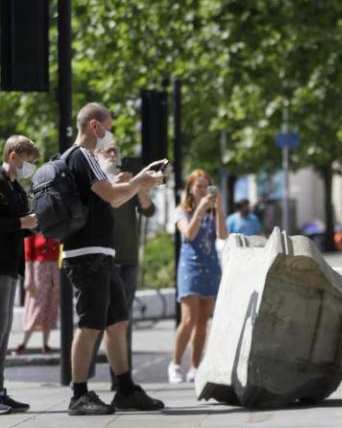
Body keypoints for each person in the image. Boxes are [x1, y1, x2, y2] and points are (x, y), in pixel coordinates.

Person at [61, 102, 166, 415]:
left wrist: (138, 183)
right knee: (90, 325)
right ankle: (79, 395)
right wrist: (141, 182)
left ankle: (125, 389)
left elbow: (114, 196)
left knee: (117, 322)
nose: (110, 134)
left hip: (102, 254)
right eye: (108, 126)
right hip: (89, 253)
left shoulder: (80, 159)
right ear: (94, 126)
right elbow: (113, 197)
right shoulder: (83, 157)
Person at [91, 141, 155, 389]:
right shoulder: (98, 181)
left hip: (128, 259)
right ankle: (83, 377)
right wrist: (119, 185)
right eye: (107, 149)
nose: (113, 152)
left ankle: (121, 379)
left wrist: (136, 185)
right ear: (97, 155)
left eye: (116, 149)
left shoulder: (130, 181)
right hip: (105, 258)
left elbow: (149, 210)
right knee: (99, 321)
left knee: (122, 321)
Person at [170, 169, 227, 384]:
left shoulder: (213, 211)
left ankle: (195, 366)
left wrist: (218, 209)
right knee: (188, 319)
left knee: (203, 320)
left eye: (206, 186)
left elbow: (222, 235)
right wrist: (200, 210)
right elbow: (190, 233)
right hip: (190, 267)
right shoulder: (181, 211)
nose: (203, 190)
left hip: (210, 266)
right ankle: (175, 363)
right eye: (199, 186)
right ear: (191, 189)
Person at [0, 135, 40, 414]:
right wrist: (20, 222)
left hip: (11, 264)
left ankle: (0, 389)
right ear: (13, 156)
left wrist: (31, 226)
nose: (29, 167)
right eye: (27, 161)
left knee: (4, 330)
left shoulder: (15, 187)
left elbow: (19, 225)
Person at [16, 231, 60, 356]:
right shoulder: (33, 231)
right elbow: (28, 255)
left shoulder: (55, 229)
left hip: (55, 269)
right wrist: (29, 277)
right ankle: (23, 343)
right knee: (35, 306)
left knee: (51, 306)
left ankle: (45, 344)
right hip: (39, 270)